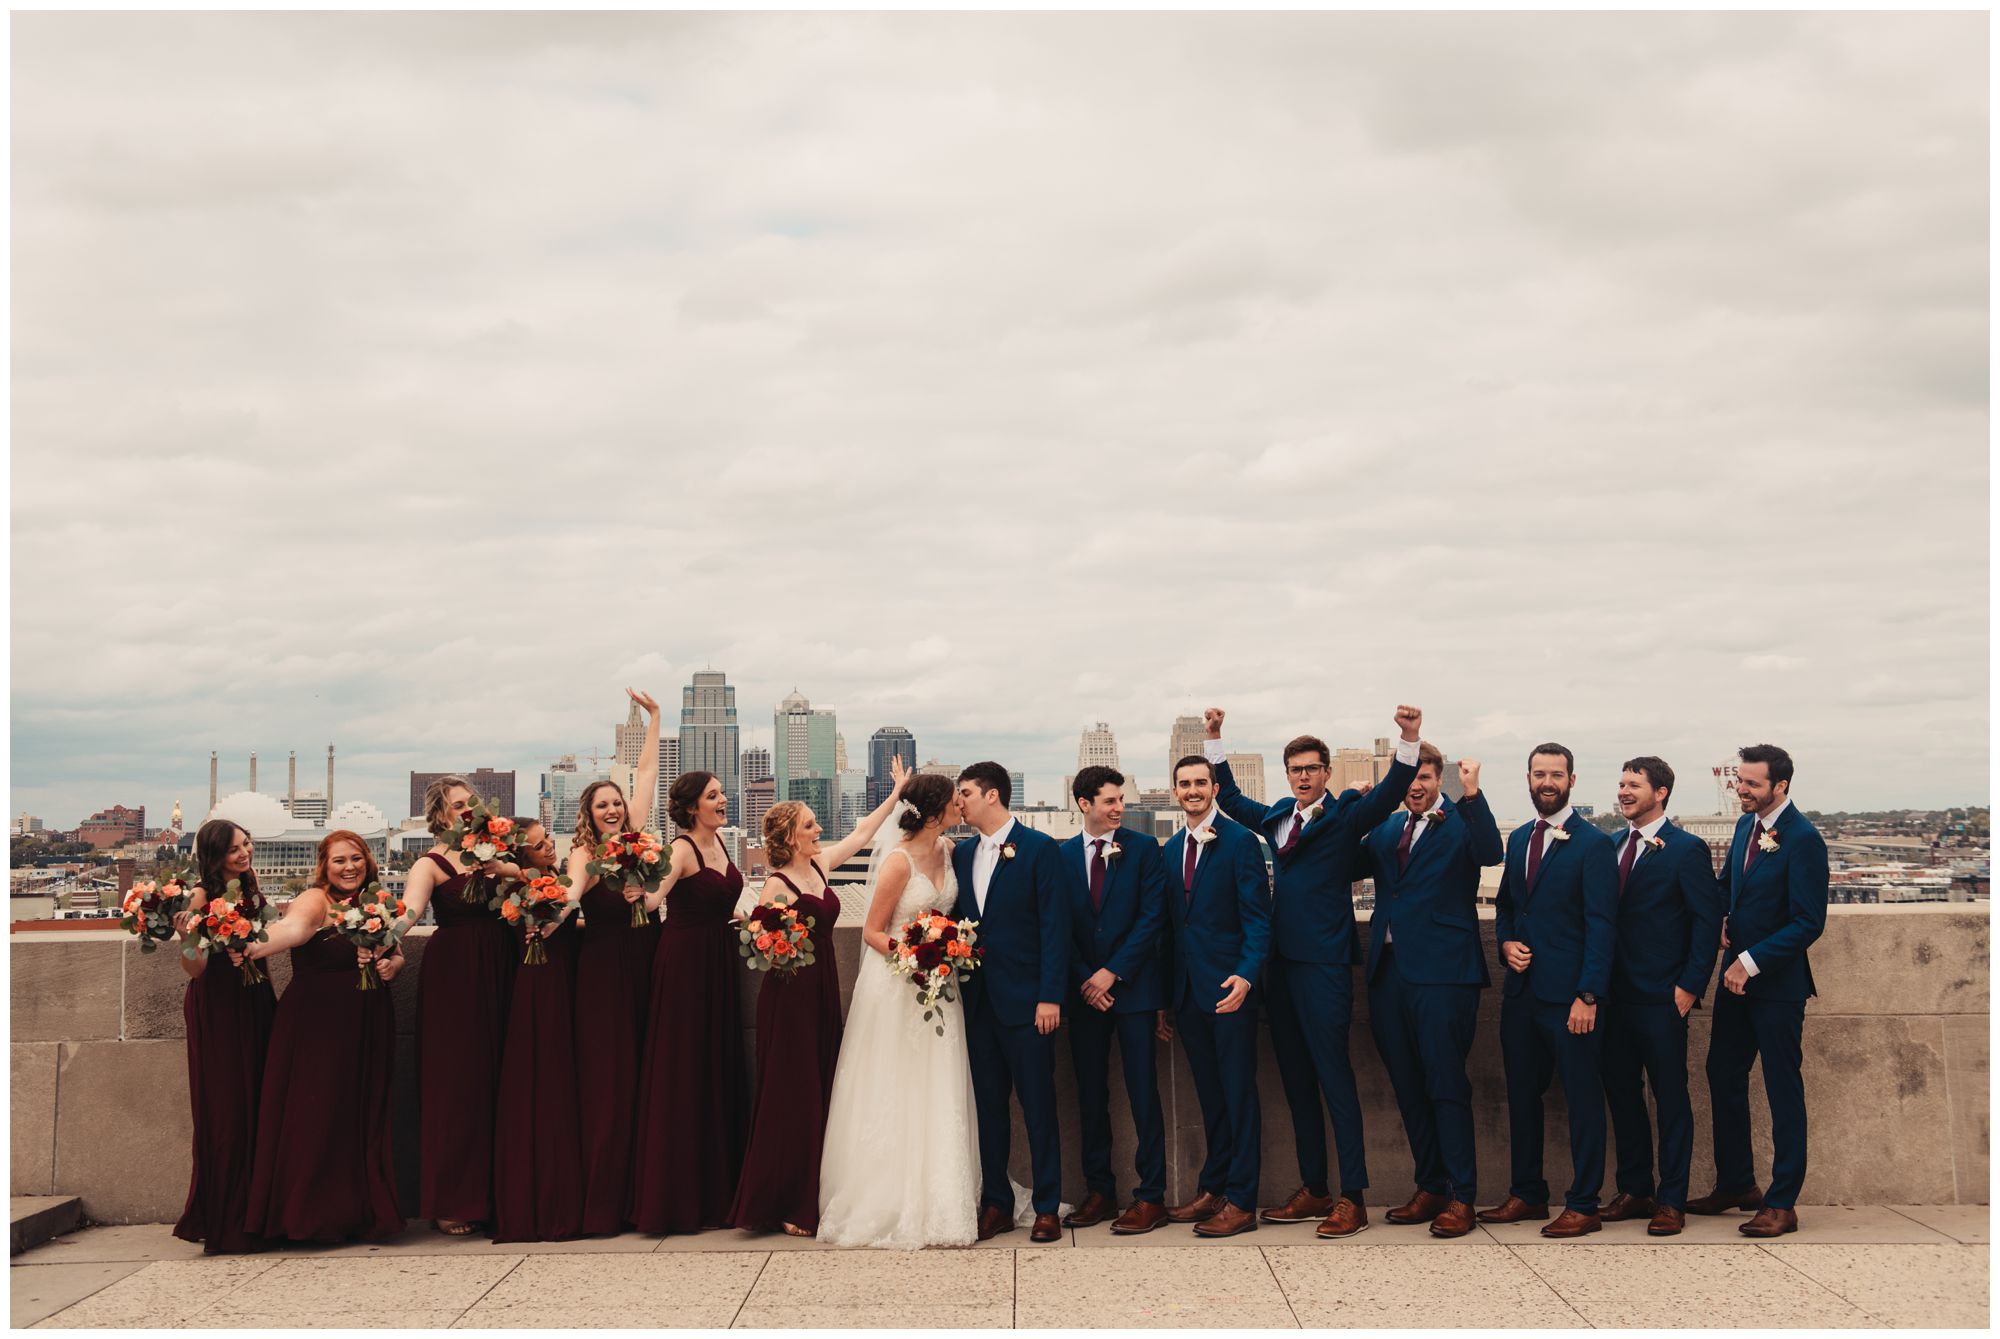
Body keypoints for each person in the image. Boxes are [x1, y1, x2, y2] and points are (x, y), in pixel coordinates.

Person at [1203, 704, 1423, 1237]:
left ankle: (1353, 1197)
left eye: (1311, 769)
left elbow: (1393, 790)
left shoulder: (1347, 816)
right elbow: (1229, 800)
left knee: (1334, 1079)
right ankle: (1315, 1188)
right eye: (1295, 769)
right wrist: (1215, 740)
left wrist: (1410, 739)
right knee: (1297, 1082)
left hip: (1324, 964)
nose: (1303, 777)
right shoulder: (1279, 814)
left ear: (1326, 773)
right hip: (1280, 966)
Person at [727, 755, 910, 1236]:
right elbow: (761, 943)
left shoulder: (821, 866)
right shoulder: (776, 884)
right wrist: (763, 931)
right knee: (791, 1095)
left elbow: (862, 833)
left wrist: (894, 793)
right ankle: (784, 1202)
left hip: (823, 988)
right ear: (790, 836)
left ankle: (816, 1192)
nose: (819, 828)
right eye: (810, 824)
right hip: (788, 997)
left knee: (822, 1088)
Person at [817, 773, 981, 1248]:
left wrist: (947, 952)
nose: (960, 808)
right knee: (895, 1083)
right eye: (955, 802)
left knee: (939, 1083)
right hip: (898, 985)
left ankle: (945, 1195)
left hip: (940, 987)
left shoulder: (949, 852)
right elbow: (871, 931)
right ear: (934, 811)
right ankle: (889, 1197)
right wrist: (916, 956)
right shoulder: (896, 862)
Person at [1355, 746, 1501, 1240]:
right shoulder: (1389, 829)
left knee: (1444, 1084)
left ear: (1439, 779)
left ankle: (1463, 1197)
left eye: (1424, 777)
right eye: (1407, 781)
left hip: (1444, 975)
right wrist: (1359, 808)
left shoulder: (1461, 822)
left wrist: (1473, 795)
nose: (1415, 787)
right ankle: (1430, 1186)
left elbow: (1491, 853)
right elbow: (1340, 859)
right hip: (1389, 974)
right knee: (1409, 1086)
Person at [1689, 743, 1827, 1238]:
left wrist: (1750, 961)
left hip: (1777, 986)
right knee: (1722, 1072)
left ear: (1781, 787)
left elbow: (1809, 921)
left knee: (1781, 1087)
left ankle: (1782, 1202)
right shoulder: (1748, 825)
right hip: (1734, 978)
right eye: (1739, 782)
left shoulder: (1804, 839)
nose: (1740, 790)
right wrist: (1721, 917)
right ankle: (1737, 1184)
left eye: (1751, 784)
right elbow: (1729, 886)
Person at [1483, 743, 1618, 1238]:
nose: (1547, 782)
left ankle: (1584, 1202)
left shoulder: (1593, 844)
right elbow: (1506, 906)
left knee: (1583, 1099)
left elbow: (1603, 926)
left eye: (1556, 775)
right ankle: (1527, 1194)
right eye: (1539, 773)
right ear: (1528, 779)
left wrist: (1588, 995)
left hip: (1570, 999)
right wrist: (1506, 944)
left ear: (1572, 781)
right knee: (1522, 1096)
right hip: (1522, 994)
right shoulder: (1517, 839)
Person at [242, 831, 404, 1243]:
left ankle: (359, 1214)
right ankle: (310, 1217)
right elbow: (292, 930)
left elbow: (394, 949)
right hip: (318, 1025)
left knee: (360, 1115)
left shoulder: (376, 902)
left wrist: (393, 965)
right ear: (324, 866)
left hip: (367, 1020)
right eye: (339, 861)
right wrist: (249, 949)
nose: (350, 867)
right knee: (319, 1113)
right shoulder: (316, 900)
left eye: (357, 859)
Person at [1598, 756, 1725, 1237]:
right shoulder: (1609, 845)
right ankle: (1635, 1190)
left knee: (1670, 1100)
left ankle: (1671, 1199)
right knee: (1623, 1096)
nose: (1624, 791)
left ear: (1661, 792)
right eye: (1622, 784)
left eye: (1634, 785)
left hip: (1662, 999)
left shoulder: (1686, 849)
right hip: (1613, 997)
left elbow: (1705, 921)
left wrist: (1690, 987)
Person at [951, 761, 1070, 1244]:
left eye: (965, 794)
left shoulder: (1041, 850)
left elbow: (1055, 929)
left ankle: (1046, 1208)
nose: (958, 802)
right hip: (978, 1005)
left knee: (1039, 1107)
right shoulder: (960, 855)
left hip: (1028, 1006)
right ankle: (996, 1202)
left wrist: (1049, 997)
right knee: (989, 1110)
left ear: (993, 795)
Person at [629, 767, 747, 1234]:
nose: (723, 801)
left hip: (717, 962)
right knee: (684, 1071)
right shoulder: (680, 848)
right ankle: (675, 1200)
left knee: (713, 1067)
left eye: (722, 793)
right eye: (713, 796)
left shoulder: (721, 845)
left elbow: (721, 901)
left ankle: (715, 1193)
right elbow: (654, 902)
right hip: (684, 967)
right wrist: (637, 886)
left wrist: (752, 919)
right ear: (691, 806)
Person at [1157, 754, 1269, 1237]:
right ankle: (1214, 1187)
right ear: (1175, 790)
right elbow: (1170, 928)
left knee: (1239, 1095)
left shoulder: (1242, 842)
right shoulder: (1170, 847)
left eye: (1201, 782)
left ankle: (1242, 1201)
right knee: (1211, 1097)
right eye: (1185, 784)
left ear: (1215, 788)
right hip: (1187, 995)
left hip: (1229, 992)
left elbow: (1259, 919)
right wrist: (1166, 998)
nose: (1193, 790)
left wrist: (1245, 977)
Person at [567, 690, 666, 1234]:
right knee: (610, 1079)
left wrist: (654, 718)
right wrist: (545, 917)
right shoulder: (584, 853)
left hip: (647, 958)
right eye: (601, 804)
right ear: (588, 813)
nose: (612, 808)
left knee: (647, 1075)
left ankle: (644, 1193)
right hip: (603, 970)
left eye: (617, 803)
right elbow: (569, 895)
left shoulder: (640, 840)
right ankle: (606, 1198)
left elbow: (646, 772)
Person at [1057, 765, 1171, 1235]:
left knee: (1144, 1094)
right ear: (1084, 804)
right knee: (1090, 1095)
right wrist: (1087, 978)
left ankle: (1151, 1197)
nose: (1119, 807)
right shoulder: (1060, 856)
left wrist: (1111, 972)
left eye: (1120, 799)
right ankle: (1099, 1191)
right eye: (1109, 800)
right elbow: (1056, 925)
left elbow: (1152, 918)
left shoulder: (1144, 849)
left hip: (1135, 991)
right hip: (1086, 997)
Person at [402, 772, 516, 1236]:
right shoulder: (429, 863)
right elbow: (408, 912)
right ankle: (453, 1197)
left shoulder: (496, 853)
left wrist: (502, 870)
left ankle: (501, 1194)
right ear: (440, 814)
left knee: (503, 1078)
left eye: (472, 803)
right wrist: (372, 938)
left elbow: (534, 881)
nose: (467, 811)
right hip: (454, 976)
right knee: (457, 1084)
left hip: (503, 965)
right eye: (457, 804)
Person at [170, 819, 278, 1254]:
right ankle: (228, 1220)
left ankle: (260, 1212)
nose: (244, 853)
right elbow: (194, 969)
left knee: (261, 1101)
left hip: (254, 998)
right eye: (235, 848)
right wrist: (187, 938)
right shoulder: (201, 894)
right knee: (228, 1107)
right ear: (214, 855)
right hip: (218, 1004)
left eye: (247, 844)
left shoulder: (252, 888)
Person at [490, 819, 585, 1243]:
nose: (549, 849)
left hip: (567, 981)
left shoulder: (555, 882)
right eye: (539, 845)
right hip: (540, 983)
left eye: (549, 841)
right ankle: (543, 1200)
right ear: (520, 855)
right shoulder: (519, 890)